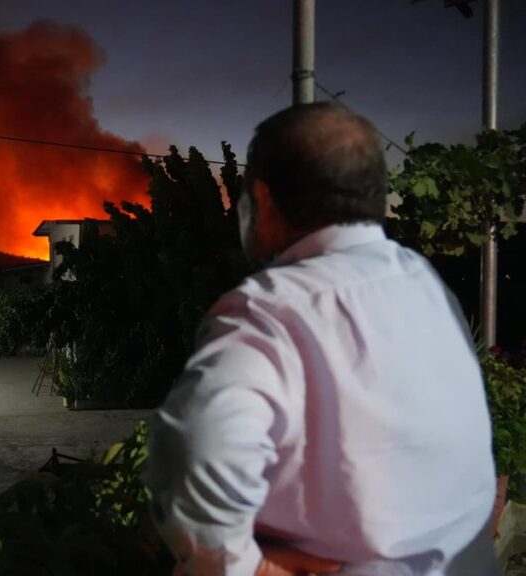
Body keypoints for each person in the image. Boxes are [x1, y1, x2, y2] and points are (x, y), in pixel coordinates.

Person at [145, 102, 500, 576]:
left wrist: (249, 567)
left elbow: (193, 448)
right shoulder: (425, 283)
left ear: (263, 201)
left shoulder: (267, 312)